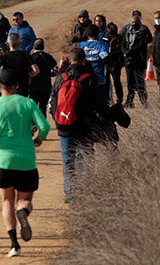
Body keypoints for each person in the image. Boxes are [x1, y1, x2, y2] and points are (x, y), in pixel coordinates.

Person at [0, 67, 50, 257]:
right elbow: (44, 126)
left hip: (3, 160)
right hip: (26, 158)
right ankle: (24, 213)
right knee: (25, 200)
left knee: (6, 201)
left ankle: (14, 245)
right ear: (17, 85)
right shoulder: (28, 103)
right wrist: (38, 138)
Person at [49, 48, 118, 203]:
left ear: (69, 60)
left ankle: (70, 195)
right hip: (84, 127)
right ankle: (86, 191)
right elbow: (98, 105)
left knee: (68, 161)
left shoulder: (61, 77)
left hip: (64, 127)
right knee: (87, 158)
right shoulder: (89, 78)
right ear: (84, 60)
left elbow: (53, 103)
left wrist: (59, 119)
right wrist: (106, 118)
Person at [120, 11, 153, 108]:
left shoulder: (144, 30)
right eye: (133, 22)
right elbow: (121, 41)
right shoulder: (126, 29)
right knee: (130, 82)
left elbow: (144, 43)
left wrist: (131, 51)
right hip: (128, 60)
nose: (134, 24)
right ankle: (129, 101)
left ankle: (144, 101)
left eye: (136, 22)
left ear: (140, 21)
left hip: (139, 59)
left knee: (140, 83)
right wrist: (125, 51)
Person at [0, 33, 38, 98]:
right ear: (19, 43)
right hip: (22, 86)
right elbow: (36, 70)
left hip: (8, 86)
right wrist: (29, 75)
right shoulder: (25, 55)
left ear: (8, 44)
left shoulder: (4, 56)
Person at [77, 25, 110, 103]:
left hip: (82, 80)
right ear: (98, 34)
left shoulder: (80, 45)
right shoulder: (102, 45)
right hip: (99, 79)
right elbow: (105, 57)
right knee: (101, 106)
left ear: (87, 34)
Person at [29, 38, 59, 117]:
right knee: (43, 106)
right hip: (46, 86)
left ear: (33, 47)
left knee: (33, 105)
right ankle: (42, 125)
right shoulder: (48, 57)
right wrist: (50, 74)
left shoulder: (30, 57)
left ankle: (33, 124)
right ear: (43, 47)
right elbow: (56, 70)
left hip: (33, 86)